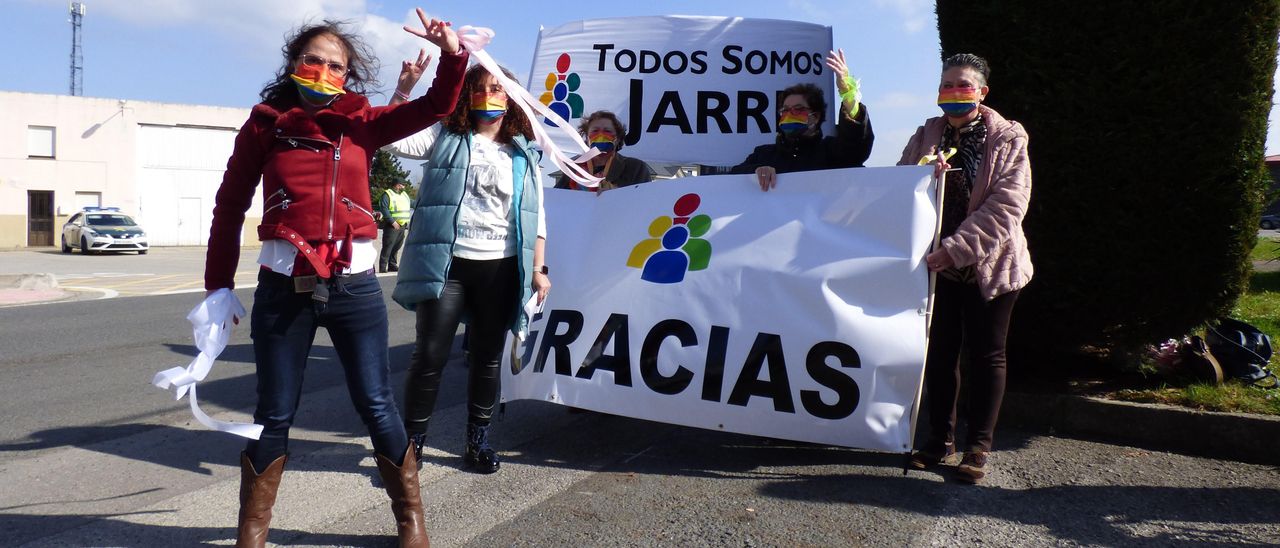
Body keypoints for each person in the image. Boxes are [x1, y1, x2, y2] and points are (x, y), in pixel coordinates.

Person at [203, 10, 465, 546]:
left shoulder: (363, 121)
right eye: (312, 60)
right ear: (294, 63)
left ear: (348, 75)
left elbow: (437, 104)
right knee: (272, 411)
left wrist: (451, 54)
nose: (323, 70)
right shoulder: (263, 123)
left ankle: (410, 518)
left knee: (376, 403)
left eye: (336, 65)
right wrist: (218, 285)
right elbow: (229, 205)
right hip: (282, 288)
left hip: (354, 287)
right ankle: (252, 530)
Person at [386, 62, 551, 475]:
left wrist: (538, 267)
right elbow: (392, 139)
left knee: (487, 358)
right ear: (466, 94)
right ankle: (412, 447)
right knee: (429, 356)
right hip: (449, 265)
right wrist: (403, 91)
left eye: (498, 88)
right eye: (479, 87)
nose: (489, 95)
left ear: (511, 97)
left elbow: (537, 214)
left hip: (501, 268)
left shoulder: (524, 150)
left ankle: (477, 443)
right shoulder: (445, 136)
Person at [900, 53, 1033, 484]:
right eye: (947, 85)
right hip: (937, 269)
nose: (953, 93)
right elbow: (898, 186)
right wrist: (922, 176)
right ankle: (939, 440)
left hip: (988, 266)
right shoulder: (927, 135)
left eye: (963, 86)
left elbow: (1007, 206)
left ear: (982, 92)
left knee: (986, 355)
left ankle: (977, 447)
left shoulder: (1007, 138)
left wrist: (955, 250)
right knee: (939, 356)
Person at [730, 49, 874, 190]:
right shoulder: (764, 154)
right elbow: (731, 177)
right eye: (785, 110)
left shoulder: (831, 151)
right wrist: (756, 171)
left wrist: (847, 92)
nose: (789, 113)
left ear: (815, 117)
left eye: (798, 109)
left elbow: (856, 146)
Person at [555, 110, 652, 191]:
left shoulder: (636, 168)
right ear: (587, 137)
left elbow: (645, 201)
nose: (600, 135)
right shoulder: (574, 166)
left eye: (607, 131)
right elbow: (557, 199)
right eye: (595, 131)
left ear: (617, 138)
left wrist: (615, 194)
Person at [378, 179, 413, 272]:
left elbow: (412, 203)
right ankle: (382, 267)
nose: (404, 187)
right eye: (402, 185)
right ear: (397, 185)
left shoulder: (404, 195)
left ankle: (392, 265)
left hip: (402, 225)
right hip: (392, 225)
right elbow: (384, 209)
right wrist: (392, 222)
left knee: (397, 246)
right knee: (388, 246)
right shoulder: (387, 194)